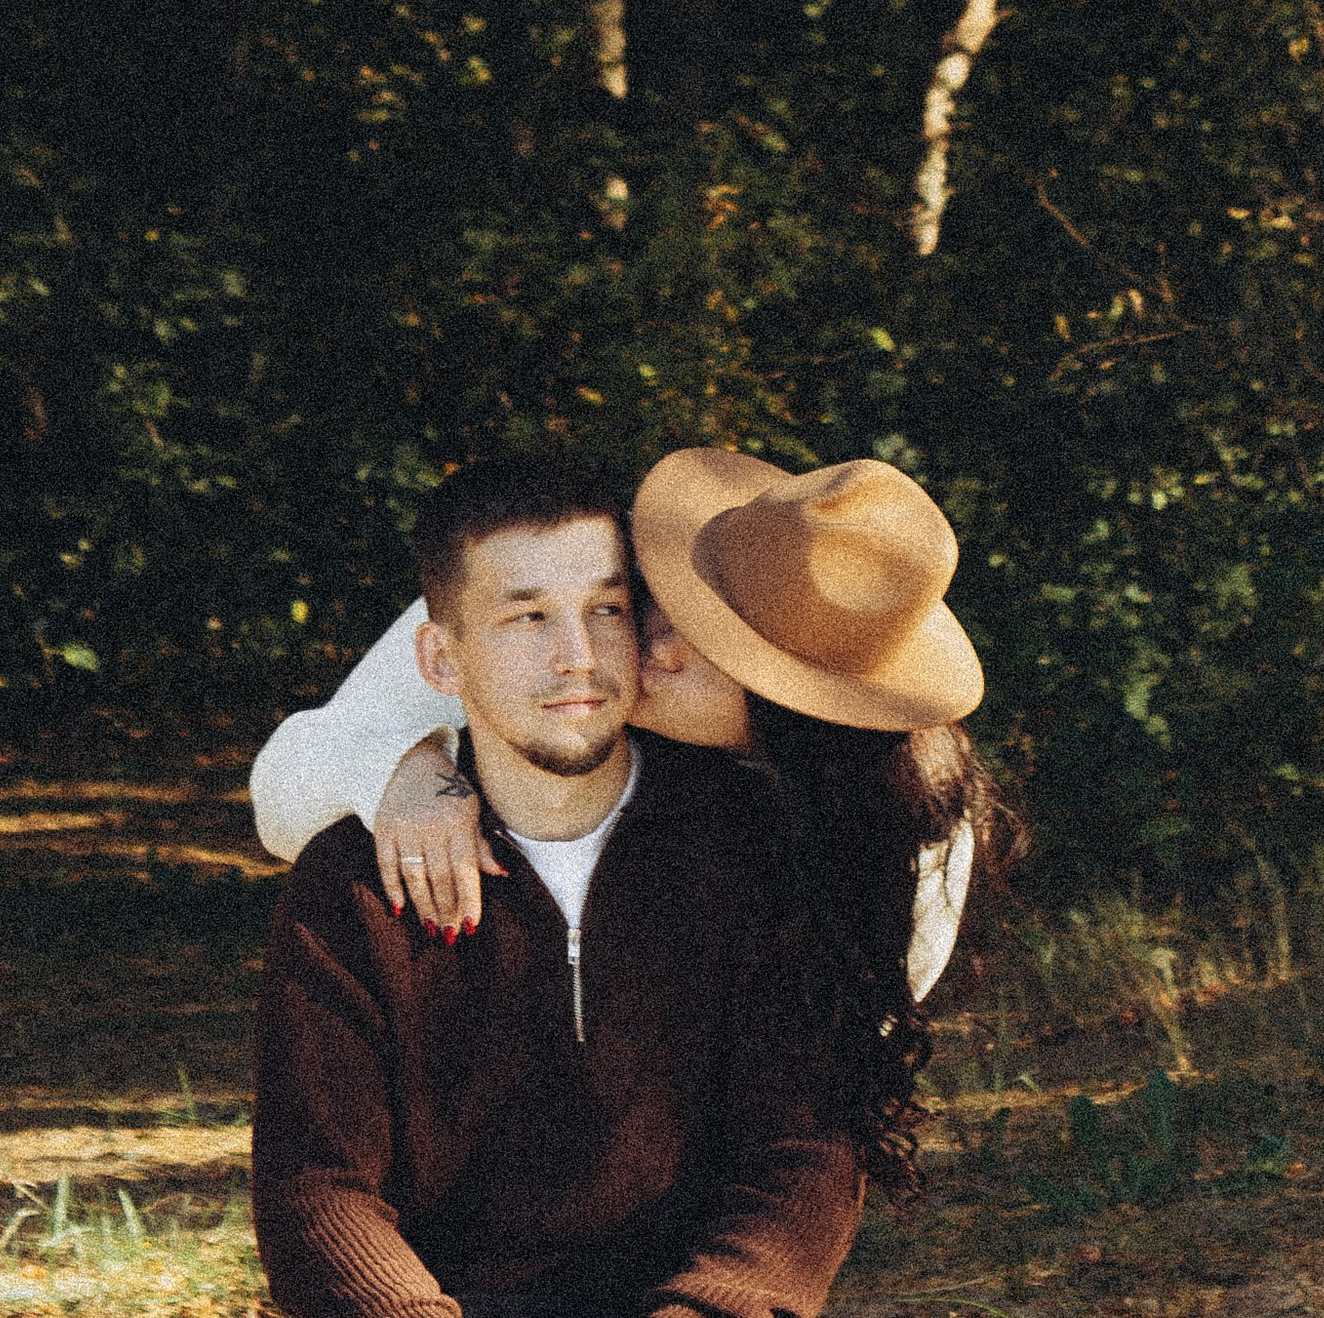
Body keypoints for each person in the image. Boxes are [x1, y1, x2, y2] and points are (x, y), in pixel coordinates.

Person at [213, 452, 925, 1318]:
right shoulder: (352, 886)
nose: (577, 658)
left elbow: (806, 1160)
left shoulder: (764, 854)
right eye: (525, 617)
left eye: (604, 611)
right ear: (440, 661)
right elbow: (317, 1193)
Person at [250, 448, 1001, 1160]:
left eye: (724, 651)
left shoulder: (908, 834)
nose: (659, 642)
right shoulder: (558, 586)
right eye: (682, 604)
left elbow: (824, 1063)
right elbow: (281, 787)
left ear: (800, 719)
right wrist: (406, 768)